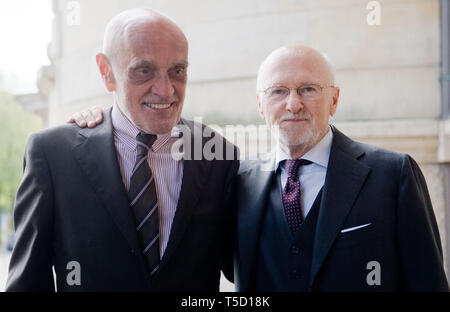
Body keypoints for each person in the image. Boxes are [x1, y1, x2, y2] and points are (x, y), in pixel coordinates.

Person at [70, 44, 449, 292]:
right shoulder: (237, 180)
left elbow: (428, 283)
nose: (293, 104)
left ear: (333, 100)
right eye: (278, 91)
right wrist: (107, 122)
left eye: (308, 89)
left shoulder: (392, 174)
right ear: (260, 105)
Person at [6, 8, 238, 291]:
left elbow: (245, 263)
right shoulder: (54, 156)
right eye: (144, 71)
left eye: (177, 71)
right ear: (106, 72)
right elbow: (27, 282)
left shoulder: (218, 155)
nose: (165, 90)